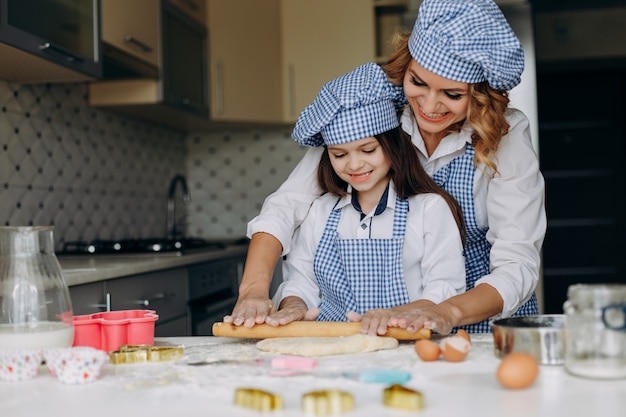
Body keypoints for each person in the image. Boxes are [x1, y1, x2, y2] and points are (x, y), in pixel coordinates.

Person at [224, 0, 546, 335]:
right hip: (394, 326)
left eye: (451, 94)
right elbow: (286, 206)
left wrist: (444, 311)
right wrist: (253, 291)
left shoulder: (504, 134)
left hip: (483, 320)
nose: (429, 106)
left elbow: (516, 264)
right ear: (405, 67)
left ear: (480, 95)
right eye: (417, 82)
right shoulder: (373, 109)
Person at [265, 62, 466, 333]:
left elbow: (444, 287)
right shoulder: (321, 212)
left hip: (407, 347)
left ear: (392, 146)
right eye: (339, 154)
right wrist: (294, 305)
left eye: (368, 150)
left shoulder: (429, 209)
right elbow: (300, 281)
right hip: (333, 351)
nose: (355, 164)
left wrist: (393, 315)